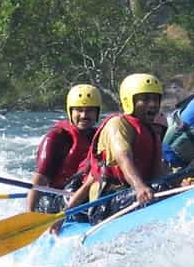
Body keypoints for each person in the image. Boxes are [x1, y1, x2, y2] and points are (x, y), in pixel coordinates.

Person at [62, 73, 166, 226]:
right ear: (129, 100)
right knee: (158, 189)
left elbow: (158, 175)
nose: (152, 104)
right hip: (105, 206)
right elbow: (123, 158)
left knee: (163, 186)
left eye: (155, 99)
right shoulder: (117, 125)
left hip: (136, 194)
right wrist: (139, 186)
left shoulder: (152, 132)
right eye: (145, 99)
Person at [26, 84, 101, 212]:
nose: (84, 115)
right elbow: (40, 180)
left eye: (90, 110)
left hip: (82, 193)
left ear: (97, 113)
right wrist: (29, 213)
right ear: (70, 111)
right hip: (53, 198)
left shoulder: (100, 136)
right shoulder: (56, 138)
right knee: (74, 191)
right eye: (79, 110)